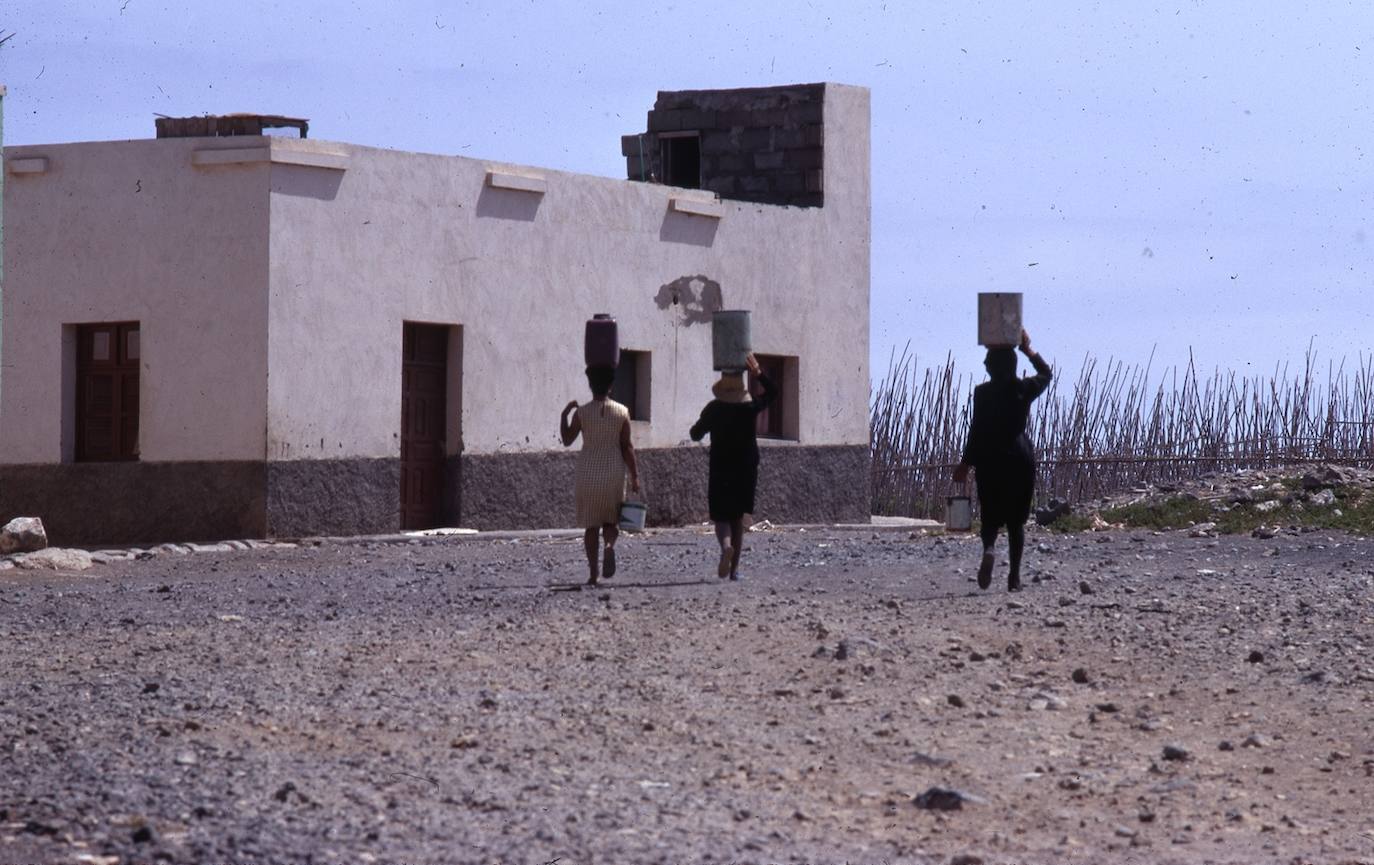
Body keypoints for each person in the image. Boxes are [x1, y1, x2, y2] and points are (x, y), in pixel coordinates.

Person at [953, 329, 1053, 592]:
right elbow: (1046, 374)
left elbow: (977, 430)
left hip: (991, 459)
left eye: (987, 360)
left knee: (990, 516)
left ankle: (989, 549)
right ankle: (1014, 578)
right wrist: (1027, 349)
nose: (984, 363)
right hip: (1020, 457)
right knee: (1015, 521)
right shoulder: (1023, 388)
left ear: (992, 367)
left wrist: (965, 463)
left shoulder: (982, 393)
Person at [689, 352, 778, 580]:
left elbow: (695, 434)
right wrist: (758, 372)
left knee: (721, 517)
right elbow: (774, 393)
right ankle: (735, 570)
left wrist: (706, 421)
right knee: (737, 518)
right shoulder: (749, 408)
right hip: (746, 467)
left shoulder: (715, 408)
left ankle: (725, 546)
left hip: (721, 465)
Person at [561, 366, 640, 585]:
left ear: (590, 385)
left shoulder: (582, 413)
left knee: (591, 525)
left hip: (588, 473)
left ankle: (593, 573)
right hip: (613, 472)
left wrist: (564, 415)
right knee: (611, 521)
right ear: (611, 386)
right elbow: (627, 447)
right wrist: (635, 476)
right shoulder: (622, 412)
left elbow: (567, 440)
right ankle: (609, 546)